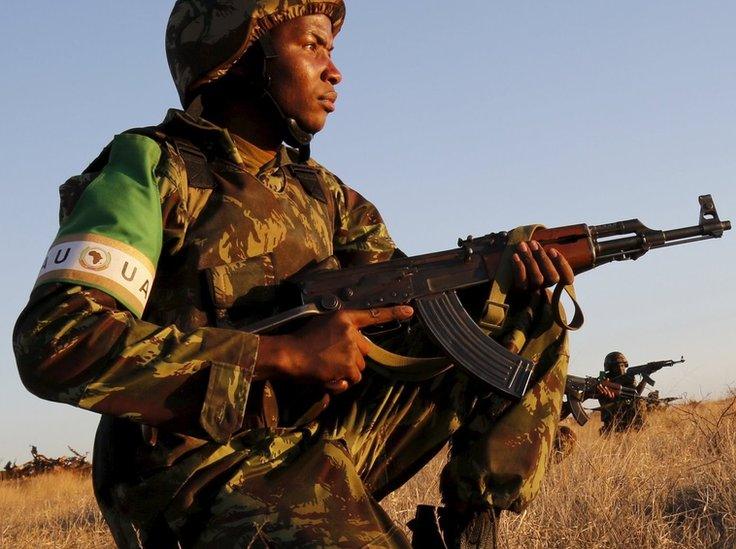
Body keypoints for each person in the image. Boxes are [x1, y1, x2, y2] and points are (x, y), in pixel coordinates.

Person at [12, 2, 574, 547]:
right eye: (310, 45)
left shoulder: (325, 195)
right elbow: (58, 340)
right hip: (195, 469)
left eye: (331, 49)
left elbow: (406, 309)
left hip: (316, 436)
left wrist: (496, 277)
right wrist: (282, 355)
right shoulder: (152, 168)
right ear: (239, 54)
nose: (335, 70)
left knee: (523, 312)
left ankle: (471, 528)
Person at [595, 351, 652, 434]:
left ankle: (641, 429)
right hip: (614, 423)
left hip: (631, 422)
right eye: (616, 366)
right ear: (609, 369)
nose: (620, 369)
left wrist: (646, 376)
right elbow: (604, 402)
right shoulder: (604, 381)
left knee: (639, 401)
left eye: (622, 366)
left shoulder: (628, 379)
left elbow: (636, 394)